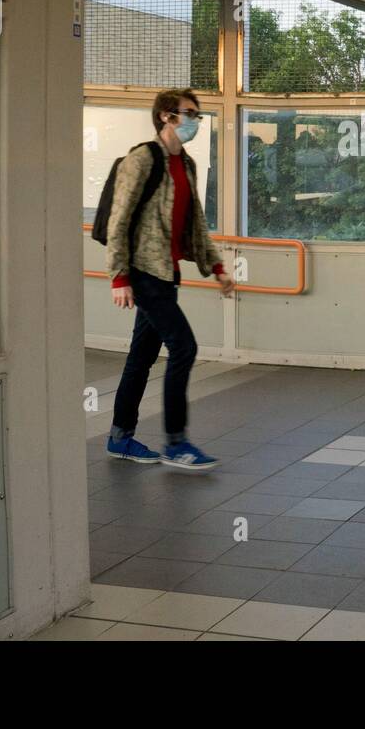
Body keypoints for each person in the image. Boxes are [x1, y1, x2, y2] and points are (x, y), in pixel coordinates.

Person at [105, 88, 234, 471]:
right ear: (166, 116)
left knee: (141, 357)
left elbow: (196, 225)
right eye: (189, 113)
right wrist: (119, 277)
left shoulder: (188, 165)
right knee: (184, 347)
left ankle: (119, 437)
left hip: (167, 272)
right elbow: (119, 220)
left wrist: (217, 267)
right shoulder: (142, 159)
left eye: (197, 113)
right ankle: (177, 443)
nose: (196, 119)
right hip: (144, 273)